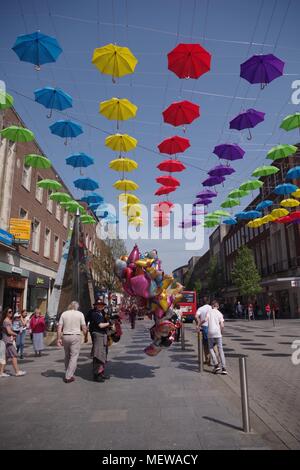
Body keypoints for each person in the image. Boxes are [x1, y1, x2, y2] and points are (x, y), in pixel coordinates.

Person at [57, 301, 87, 383]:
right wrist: (85, 334)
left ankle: (68, 371)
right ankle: (68, 376)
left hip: (65, 336)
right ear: (77, 307)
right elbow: (84, 327)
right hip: (75, 336)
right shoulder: (80, 314)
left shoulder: (64, 314)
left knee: (67, 355)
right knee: (74, 356)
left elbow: (59, 327)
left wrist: (59, 339)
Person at [200, 300, 227, 375]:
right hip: (218, 333)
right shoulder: (220, 313)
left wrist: (199, 324)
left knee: (211, 348)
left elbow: (205, 320)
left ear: (212, 306)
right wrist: (221, 332)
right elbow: (222, 325)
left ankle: (216, 365)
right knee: (220, 349)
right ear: (218, 306)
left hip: (210, 333)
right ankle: (224, 368)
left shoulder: (209, 312)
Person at [0, 307, 26, 377]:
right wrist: (15, 334)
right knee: (14, 355)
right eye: (9, 312)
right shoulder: (6, 321)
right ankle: (17, 371)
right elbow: (8, 331)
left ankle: (1, 372)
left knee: (6, 357)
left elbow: (23, 324)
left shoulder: (8, 320)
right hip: (8, 341)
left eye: (11, 312)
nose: (11, 313)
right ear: (6, 313)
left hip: (7, 340)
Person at [89, 300, 111, 382]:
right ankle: (96, 375)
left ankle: (101, 373)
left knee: (103, 355)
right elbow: (100, 325)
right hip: (98, 335)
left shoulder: (102, 313)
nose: (100, 306)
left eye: (101, 305)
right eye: (98, 305)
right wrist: (110, 323)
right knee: (98, 355)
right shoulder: (95, 314)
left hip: (103, 335)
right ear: (96, 306)